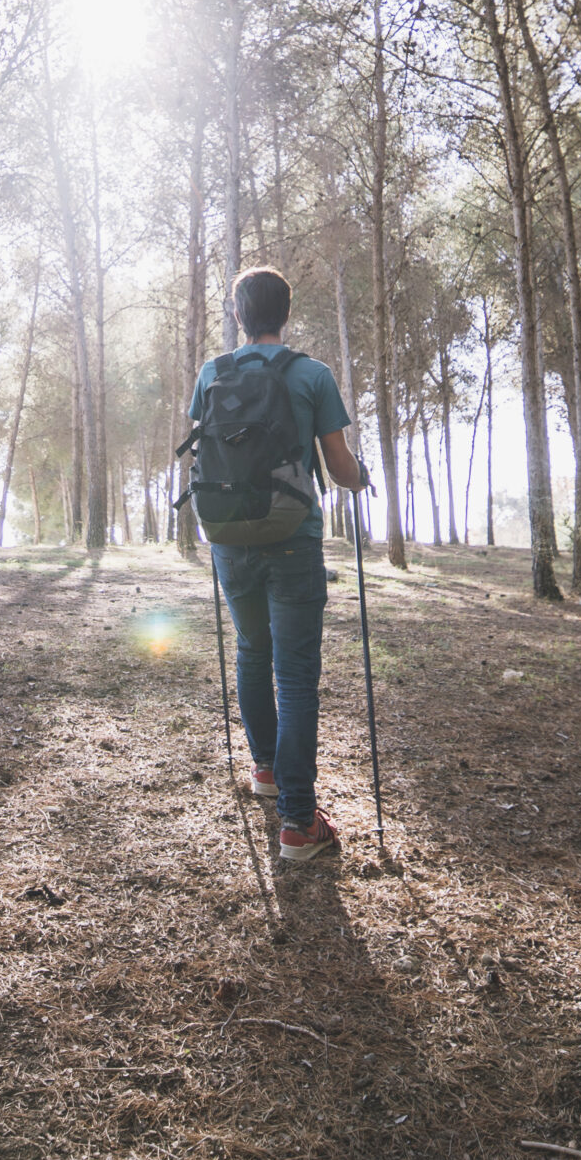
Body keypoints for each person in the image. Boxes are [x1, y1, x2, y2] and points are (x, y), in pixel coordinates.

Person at [187, 266, 368, 862]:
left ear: (239, 314)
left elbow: (208, 449)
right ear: (285, 314)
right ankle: (297, 820)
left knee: (250, 651)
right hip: (294, 537)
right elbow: (340, 468)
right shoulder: (312, 374)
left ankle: (265, 771)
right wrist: (361, 476)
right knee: (293, 675)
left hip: (229, 536)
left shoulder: (212, 372)